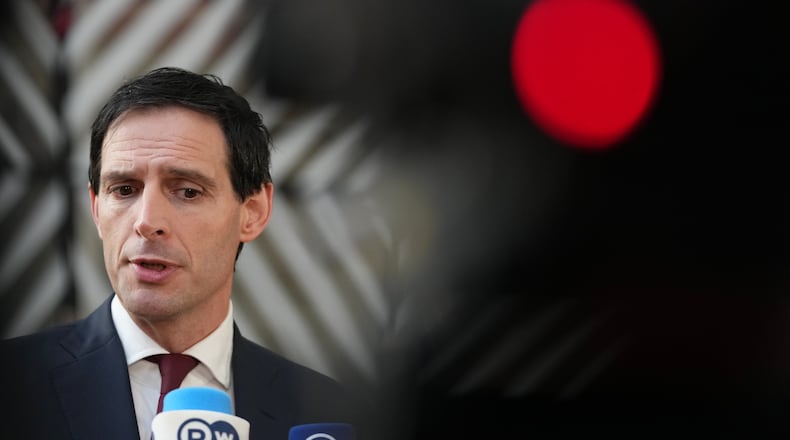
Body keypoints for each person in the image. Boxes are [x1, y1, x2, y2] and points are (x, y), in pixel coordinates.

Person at [0, 67, 357, 439]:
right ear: (96, 208)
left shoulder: (327, 412)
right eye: (124, 189)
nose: (147, 221)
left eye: (187, 191)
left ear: (252, 212)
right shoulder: (11, 386)